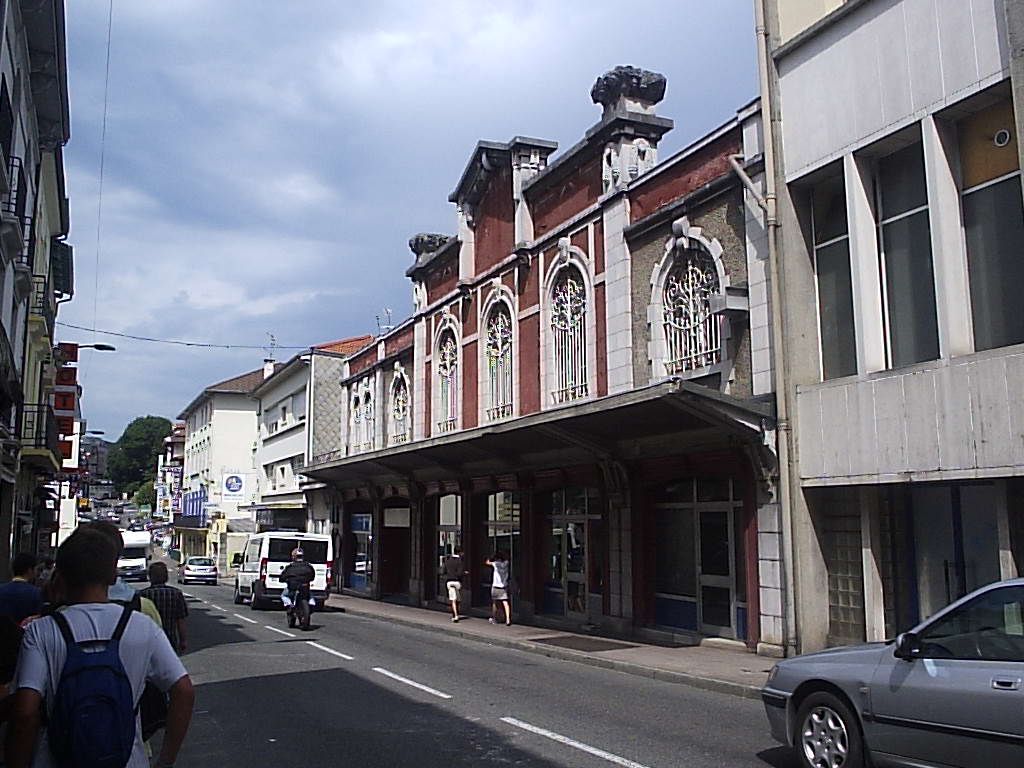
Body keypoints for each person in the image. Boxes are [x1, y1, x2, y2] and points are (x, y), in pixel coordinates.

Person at [5, 528, 194, 768]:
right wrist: (166, 760)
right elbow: (184, 690)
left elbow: (25, 713)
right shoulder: (140, 626)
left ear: (60, 577)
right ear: (114, 576)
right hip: (128, 760)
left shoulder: (42, 631)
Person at [140, 562, 189, 654]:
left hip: (148, 640)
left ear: (150, 577)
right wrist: (183, 640)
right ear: (166, 576)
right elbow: (181, 620)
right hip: (170, 639)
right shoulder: (176, 594)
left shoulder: (142, 595)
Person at [0, 555, 42, 625]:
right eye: (36, 569)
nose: (37, 573)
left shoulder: (1, 589)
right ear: (29, 570)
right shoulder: (36, 593)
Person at [486, 551, 512, 626]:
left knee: (495, 603)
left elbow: (487, 562)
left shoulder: (495, 563)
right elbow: (507, 559)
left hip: (496, 585)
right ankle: (508, 619)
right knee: (505, 602)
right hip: (503, 586)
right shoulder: (506, 563)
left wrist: (491, 557)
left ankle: (494, 618)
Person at [443, 547, 466, 623]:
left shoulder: (448, 560)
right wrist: (464, 573)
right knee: (458, 599)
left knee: (453, 599)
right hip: (457, 582)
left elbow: (444, 570)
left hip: (449, 581)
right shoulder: (460, 561)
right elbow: (459, 573)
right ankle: (456, 614)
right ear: (460, 552)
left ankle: (455, 614)